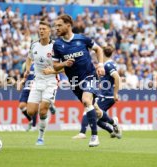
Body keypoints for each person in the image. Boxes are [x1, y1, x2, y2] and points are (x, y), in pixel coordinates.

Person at [52, 14, 105, 147]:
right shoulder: (57, 45)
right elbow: (55, 65)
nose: (56, 28)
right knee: (95, 110)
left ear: (68, 25)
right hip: (74, 81)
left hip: (89, 76)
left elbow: (98, 49)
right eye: (55, 26)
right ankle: (113, 124)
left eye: (59, 25)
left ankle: (94, 137)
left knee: (87, 101)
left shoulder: (82, 39)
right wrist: (64, 64)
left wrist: (100, 64)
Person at [72, 45, 122, 139]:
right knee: (98, 118)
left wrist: (115, 93)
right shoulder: (106, 65)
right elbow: (107, 79)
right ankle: (113, 130)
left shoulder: (108, 65)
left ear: (102, 53)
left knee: (89, 110)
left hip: (106, 96)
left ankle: (82, 132)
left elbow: (117, 77)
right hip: (104, 95)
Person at [25, 21, 60, 146]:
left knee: (42, 111)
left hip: (51, 81)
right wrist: (27, 69)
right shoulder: (34, 45)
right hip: (37, 81)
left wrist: (53, 70)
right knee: (30, 112)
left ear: (49, 31)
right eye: (39, 29)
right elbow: (29, 58)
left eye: (44, 29)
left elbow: (65, 66)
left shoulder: (56, 46)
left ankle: (40, 137)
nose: (41, 31)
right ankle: (49, 104)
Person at [18, 63, 38, 131]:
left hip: (35, 87)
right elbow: (25, 75)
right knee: (21, 106)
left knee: (34, 107)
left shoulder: (40, 63)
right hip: (26, 87)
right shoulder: (27, 64)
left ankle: (34, 126)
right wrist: (22, 80)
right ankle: (30, 120)